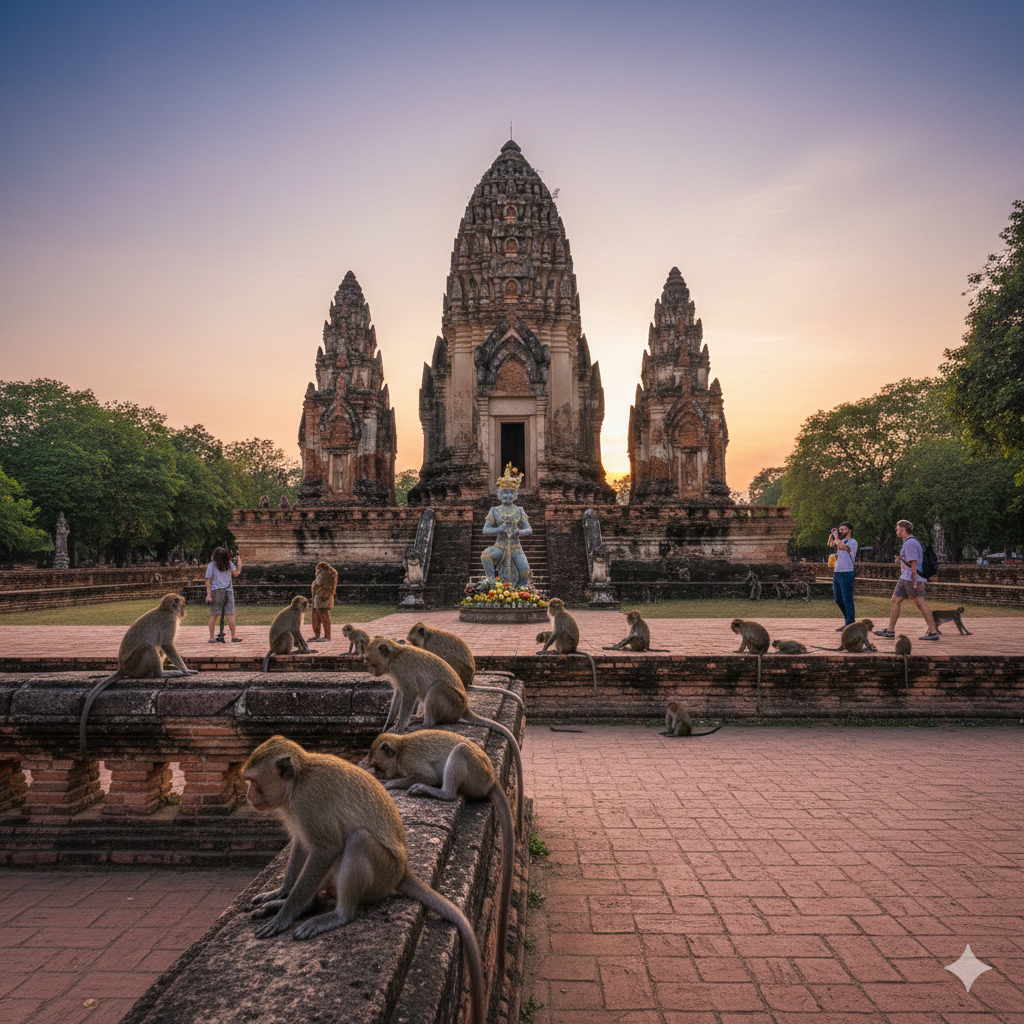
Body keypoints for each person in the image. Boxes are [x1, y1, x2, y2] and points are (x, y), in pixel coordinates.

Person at [874, 521, 939, 641]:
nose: (896, 531)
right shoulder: (909, 542)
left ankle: (933, 632)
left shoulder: (910, 543)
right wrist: (901, 559)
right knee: (895, 600)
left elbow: (914, 563)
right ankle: (890, 630)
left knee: (920, 603)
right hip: (905, 576)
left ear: (903, 529)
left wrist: (915, 582)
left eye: (897, 529)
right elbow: (910, 560)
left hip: (911, 577)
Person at [481, 463, 533, 587]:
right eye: (504, 493)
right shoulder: (494, 510)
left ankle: (519, 590)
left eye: (511, 493)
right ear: (499, 494)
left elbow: (529, 529)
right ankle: (492, 582)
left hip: (515, 547)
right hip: (500, 546)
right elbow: (485, 530)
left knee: (525, 571)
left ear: (515, 495)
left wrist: (519, 532)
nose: (508, 496)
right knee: (486, 555)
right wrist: (499, 528)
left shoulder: (519, 510)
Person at [205, 546, 242, 642]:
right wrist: (240, 562)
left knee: (214, 614)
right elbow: (236, 573)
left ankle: (211, 637)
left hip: (216, 591)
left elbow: (208, 581)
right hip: (228, 591)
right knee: (230, 614)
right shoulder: (229, 564)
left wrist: (209, 595)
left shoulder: (212, 565)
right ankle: (234, 636)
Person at [827, 521, 858, 630]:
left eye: (844, 529)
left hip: (847, 573)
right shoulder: (840, 540)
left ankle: (850, 623)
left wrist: (836, 536)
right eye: (840, 529)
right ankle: (848, 621)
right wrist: (832, 535)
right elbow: (830, 544)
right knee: (838, 599)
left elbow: (841, 547)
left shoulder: (852, 542)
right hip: (837, 573)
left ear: (850, 530)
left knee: (847, 599)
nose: (841, 531)